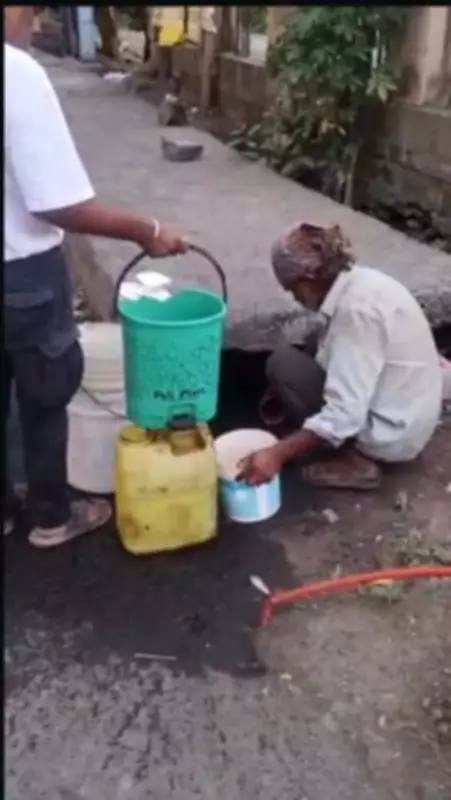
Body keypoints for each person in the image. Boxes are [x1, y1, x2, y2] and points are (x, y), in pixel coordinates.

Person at [4, 7, 188, 547]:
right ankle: (52, 517)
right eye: (27, 11)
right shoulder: (15, 72)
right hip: (23, 276)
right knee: (45, 396)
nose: (35, 25)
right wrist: (147, 230)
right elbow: (55, 203)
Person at [239, 223, 443, 490]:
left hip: (392, 435)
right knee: (311, 343)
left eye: (292, 288)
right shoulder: (361, 281)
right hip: (411, 415)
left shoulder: (356, 314)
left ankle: (359, 460)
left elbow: (344, 415)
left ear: (308, 276)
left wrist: (276, 454)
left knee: (283, 365)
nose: (294, 297)